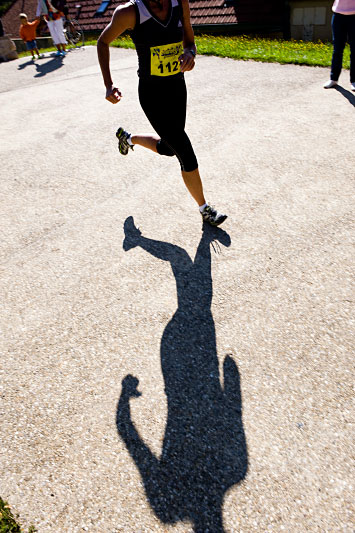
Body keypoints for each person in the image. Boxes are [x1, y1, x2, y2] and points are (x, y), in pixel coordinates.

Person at [97, 0, 227, 226]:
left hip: (177, 87)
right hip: (152, 94)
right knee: (185, 151)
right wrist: (108, 85)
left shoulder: (180, 2)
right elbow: (102, 42)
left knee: (169, 148)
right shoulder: (130, 12)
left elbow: (190, 41)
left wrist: (190, 54)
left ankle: (128, 138)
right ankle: (205, 209)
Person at [324, 0, 355, 91]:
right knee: (337, 49)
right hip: (338, 15)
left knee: (354, 50)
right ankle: (333, 79)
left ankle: (354, 81)